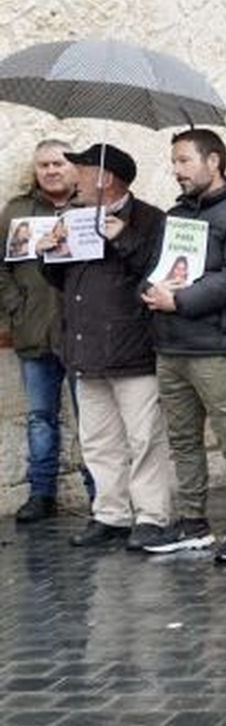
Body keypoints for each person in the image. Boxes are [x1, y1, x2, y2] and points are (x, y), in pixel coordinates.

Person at [139, 129, 226, 563]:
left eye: (183, 161)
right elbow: (155, 268)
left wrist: (178, 300)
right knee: (183, 441)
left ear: (213, 162)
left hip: (217, 347)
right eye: (174, 162)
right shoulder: (175, 216)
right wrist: (150, 289)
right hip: (171, 346)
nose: (176, 170)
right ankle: (193, 522)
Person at [41, 144, 173, 549]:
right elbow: (67, 283)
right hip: (86, 346)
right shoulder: (75, 217)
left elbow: (159, 273)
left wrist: (124, 238)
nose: (71, 177)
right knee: (98, 440)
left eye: (78, 169)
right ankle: (110, 514)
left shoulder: (151, 219)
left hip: (133, 349)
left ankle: (152, 516)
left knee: (145, 439)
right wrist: (52, 253)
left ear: (105, 178)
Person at [0, 140, 78, 523]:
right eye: (43, 165)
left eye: (58, 163)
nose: (50, 170)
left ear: (73, 167)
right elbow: (1, 267)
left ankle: (102, 494)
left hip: (83, 331)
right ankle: (41, 493)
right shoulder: (16, 211)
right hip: (33, 328)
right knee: (40, 416)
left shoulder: (88, 209)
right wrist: (16, 304)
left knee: (92, 417)